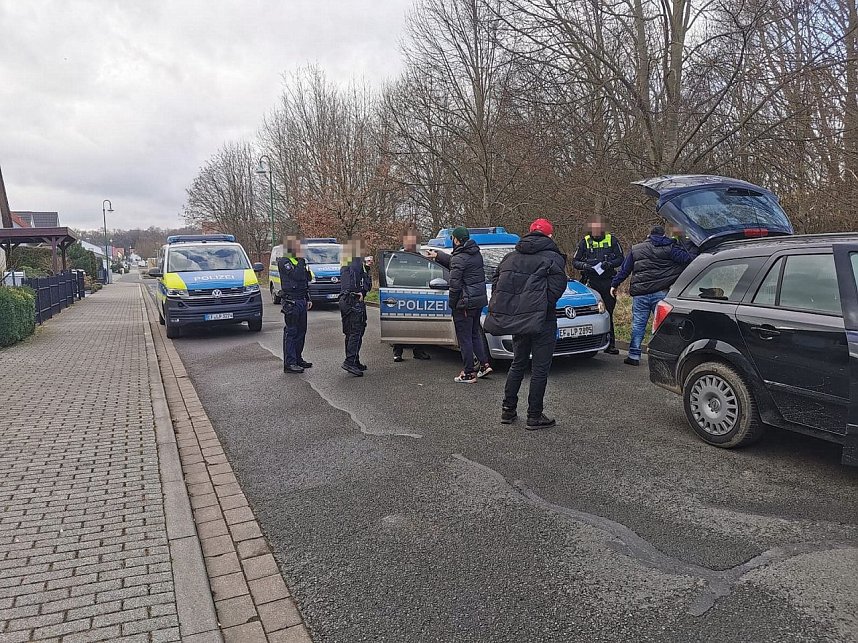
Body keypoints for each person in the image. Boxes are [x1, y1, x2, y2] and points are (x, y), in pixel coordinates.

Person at [484, 219, 568, 428]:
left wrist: (517, 305)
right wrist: (541, 304)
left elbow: (498, 285)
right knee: (540, 368)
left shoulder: (511, 257)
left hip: (519, 318)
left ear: (529, 233)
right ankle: (534, 415)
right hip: (543, 319)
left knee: (518, 363)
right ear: (550, 236)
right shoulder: (553, 258)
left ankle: (508, 410)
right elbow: (557, 287)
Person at [610, 224, 695, 366]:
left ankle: (634, 355)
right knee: (662, 326)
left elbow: (625, 270)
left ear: (649, 235)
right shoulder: (670, 248)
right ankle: (661, 357)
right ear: (663, 235)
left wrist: (614, 284)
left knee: (638, 325)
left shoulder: (636, 249)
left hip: (640, 294)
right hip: (660, 292)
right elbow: (688, 259)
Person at [426, 226, 491, 383]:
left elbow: (454, 285)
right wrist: (438, 255)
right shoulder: (475, 254)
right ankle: (484, 365)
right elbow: (457, 261)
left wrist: (453, 304)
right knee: (474, 334)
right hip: (478, 301)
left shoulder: (459, 258)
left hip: (464, 304)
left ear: (455, 239)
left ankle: (468, 373)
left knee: (465, 339)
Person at [572, 214, 624, 354]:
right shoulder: (585, 241)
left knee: (608, 312)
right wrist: (584, 266)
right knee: (590, 312)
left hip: (608, 281)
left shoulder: (612, 240)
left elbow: (621, 259)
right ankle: (586, 344)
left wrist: (610, 264)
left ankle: (610, 344)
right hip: (591, 281)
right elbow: (575, 261)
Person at [392, 224, 432, 363]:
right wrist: (406, 275)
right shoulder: (397, 256)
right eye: (408, 240)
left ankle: (418, 350)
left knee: (419, 323)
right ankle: (398, 351)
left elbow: (428, 275)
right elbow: (390, 273)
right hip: (401, 293)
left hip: (418, 293)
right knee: (400, 324)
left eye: (413, 241)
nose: (410, 243)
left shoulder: (420, 257)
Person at [277, 235, 313, 374]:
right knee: (291, 332)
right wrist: (302, 261)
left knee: (301, 331)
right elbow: (297, 276)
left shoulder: (299, 261)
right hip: (291, 301)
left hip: (301, 300)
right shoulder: (284, 261)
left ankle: (298, 358)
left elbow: (305, 280)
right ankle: (289, 363)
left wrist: (308, 298)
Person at [339, 237, 372, 377]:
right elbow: (350, 282)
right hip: (351, 301)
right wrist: (356, 294)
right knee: (354, 332)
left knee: (355, 332)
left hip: (352, 300)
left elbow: (366, 284)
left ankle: (354, 359)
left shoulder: (358, 262)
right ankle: (349, 361)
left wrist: (368, 267)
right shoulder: (352, 261)